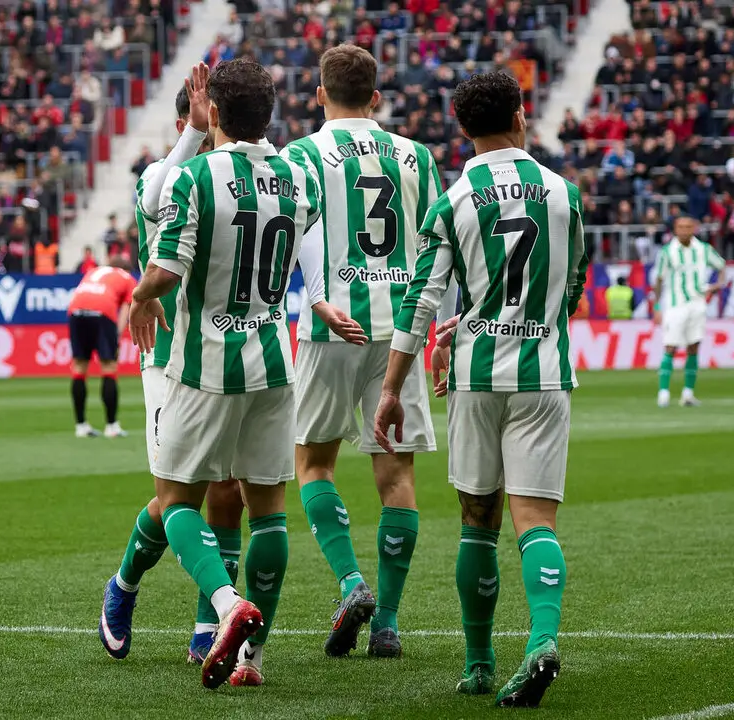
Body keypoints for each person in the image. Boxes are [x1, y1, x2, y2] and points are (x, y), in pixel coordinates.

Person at [372, 71, 586, 707]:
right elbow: (570, 286)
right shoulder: (563, 195)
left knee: (477, 520)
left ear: (462, 131)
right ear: (521, 116)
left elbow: (420, 300)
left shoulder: (456, 201)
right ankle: (542, 639)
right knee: (536, 521)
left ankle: (479, 663)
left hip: (477, 376)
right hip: (544, 373)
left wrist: (393, 388)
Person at [128, 58, 321, 689]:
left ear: (212, 111)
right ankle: (252, 661)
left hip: (203, 361)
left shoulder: (195, 180)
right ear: (269, 111)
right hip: (272, 357)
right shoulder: (301, 178)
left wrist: (139, 296)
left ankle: (223, 603)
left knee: (175, 499)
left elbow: (165, 272)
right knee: (268, 511)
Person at [284, 43, 443, 660]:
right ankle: (389, 625)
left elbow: (295, 237)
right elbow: (437, 246)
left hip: (331, 325)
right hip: (400, 329)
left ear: (320, 94)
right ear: (376, 96)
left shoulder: (301, 155)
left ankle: (351, 583)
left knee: (313, 463)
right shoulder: (416, 156)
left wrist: (315, 296)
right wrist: (435, 329)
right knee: (396, 470)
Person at [98, 65, 247, 666]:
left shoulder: (240, 174)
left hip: (232, 351)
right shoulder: (161, 177)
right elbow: (160, 192)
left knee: (230, 490)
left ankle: (208, 622)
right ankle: (124, 585)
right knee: (173, 496)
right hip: (168, 356)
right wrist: (196, 126)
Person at [651, 217, 725, 408]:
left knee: (694, 347)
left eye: (688, 227)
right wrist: (657, 306)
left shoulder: (703, 249)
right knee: (670, 347)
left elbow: (721, 265)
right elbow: (659, 280)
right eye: (681, 227)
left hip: (697, 305)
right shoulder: (668, 252)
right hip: (676, 306)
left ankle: (687, 394)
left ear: (694, 229)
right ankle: (664, 393)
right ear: (675, 229)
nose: (684, 230)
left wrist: (717, 285)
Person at [66, 255, 136, 438]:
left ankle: (81, 426)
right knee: (109, 367)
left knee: (79, 366)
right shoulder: (128, 278)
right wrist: (116, 338)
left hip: (75, 310)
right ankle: (112, 426)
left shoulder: (93, 271)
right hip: (102, 311)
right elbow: (126, 310)